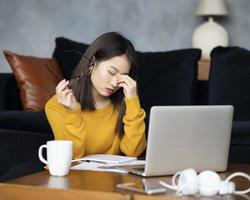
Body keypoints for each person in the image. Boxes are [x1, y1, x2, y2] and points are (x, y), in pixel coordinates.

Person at [45, 32, 146, 159]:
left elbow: (134, 151)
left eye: (122, 77)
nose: (115, 83)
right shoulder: (56, 105)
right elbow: (71, 157)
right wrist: (73, 113)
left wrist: (133, 101)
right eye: (111, 72)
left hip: (109, 177)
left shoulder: (123, 107)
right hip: (71, 176)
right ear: (92, 64)